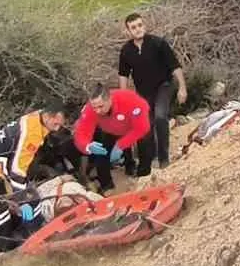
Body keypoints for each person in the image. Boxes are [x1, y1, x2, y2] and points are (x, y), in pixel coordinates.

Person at [0, 104, 70, 250]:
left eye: (60, 125)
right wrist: (23, 199)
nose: (56, 128)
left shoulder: (37, 117)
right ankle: (8, 245)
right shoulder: (32, 133)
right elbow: (17, 170)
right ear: (47, 116)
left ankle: (23, 233)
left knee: (13, 200)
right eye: (55, 124)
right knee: (1, 207)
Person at [117, 11, 187, 170]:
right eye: (133, 27)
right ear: (128, 31)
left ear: (145, 25)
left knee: (161, 117)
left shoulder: (158, 43)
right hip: (143, 93)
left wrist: (182, 88)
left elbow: (175, 66)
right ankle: (149, 160)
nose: (137, 29)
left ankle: (163, 158)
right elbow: (123, 76)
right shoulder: (126, 51)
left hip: (164, 86)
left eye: (140, 25)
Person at [73, 84, 152, 187]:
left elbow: (142, 128)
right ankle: (107, 185)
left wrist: (121, 145)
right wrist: (87, 146)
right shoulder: (90, 109)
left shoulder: (130, 100)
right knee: (101, 152)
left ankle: (144, 176)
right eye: (94, 107)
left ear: (109, 99)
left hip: (133, 125)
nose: (97, 111)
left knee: (145, 142)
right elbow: (81, 133)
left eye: (101, 106)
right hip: (109, 129)